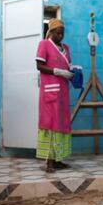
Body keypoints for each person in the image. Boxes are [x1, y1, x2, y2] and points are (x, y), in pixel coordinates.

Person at [35, 19, 73, 173]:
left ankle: (59, 160)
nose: (60, 36)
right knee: (50, 123)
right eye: (57, 33)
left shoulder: (66, 48)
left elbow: (67, 65)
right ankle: (49, 163)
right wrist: (57, 71)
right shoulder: (44, 44)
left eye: (62, 33)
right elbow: (39, 66)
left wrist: (72, 71)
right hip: (50, 91)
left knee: (62, 123)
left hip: (63, 91)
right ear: (51, 32)